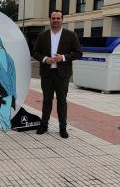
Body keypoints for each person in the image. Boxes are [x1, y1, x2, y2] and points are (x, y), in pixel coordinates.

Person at [32, 10, 82, 138]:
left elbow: (78, 53)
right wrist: (45, 59)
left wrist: (63, 58)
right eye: (53, 18)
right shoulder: (42, 36)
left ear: (62, 19)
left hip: (62, 74)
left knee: (62, 101)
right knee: (47, 100)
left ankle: (63, 128)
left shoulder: (70, 35)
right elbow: (35, 52)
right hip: (47, 73)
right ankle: (44, 125)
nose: (56, 20)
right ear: (50, 19)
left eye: (58, 18)